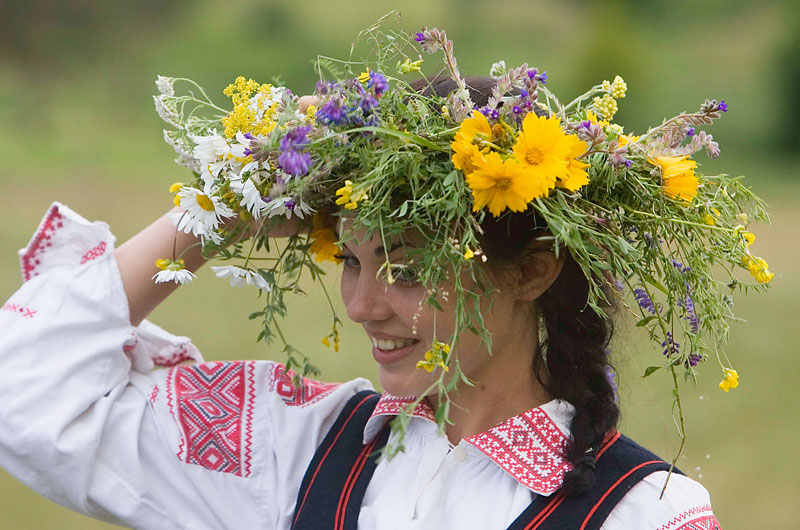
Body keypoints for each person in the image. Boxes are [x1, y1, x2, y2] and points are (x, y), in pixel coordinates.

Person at [0, 67, 726, 528]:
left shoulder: (642, 514)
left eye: (406, 269)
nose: (361, 304)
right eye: (350, 258)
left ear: (529, 274)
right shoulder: (294, 449)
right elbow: (24, 391)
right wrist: (218, 208)